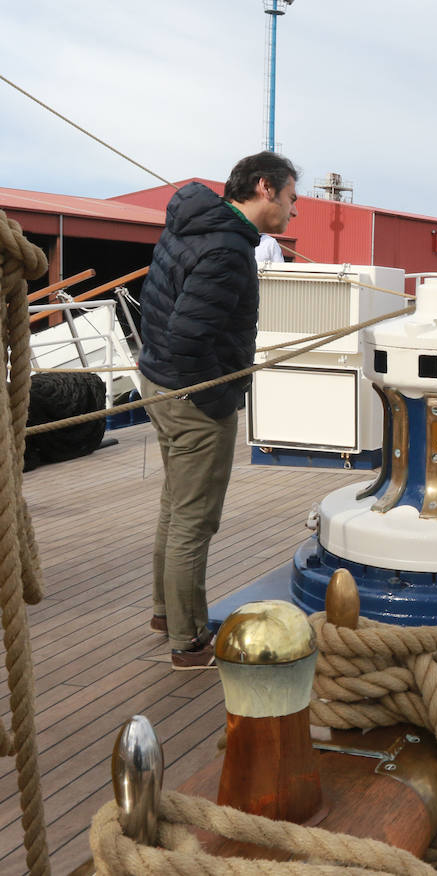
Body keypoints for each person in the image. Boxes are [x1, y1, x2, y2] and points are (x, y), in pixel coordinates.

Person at [138, 152, 299, 669]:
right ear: (264, 189)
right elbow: (190, 337)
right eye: (292, 198)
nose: (294, 212)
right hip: (192, 398)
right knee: (194, 519)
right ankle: (187, 642)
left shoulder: (191, 221)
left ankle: (166, 613)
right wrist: (217, 400)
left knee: (174, 504)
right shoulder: (229, 249)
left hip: (157, 382)